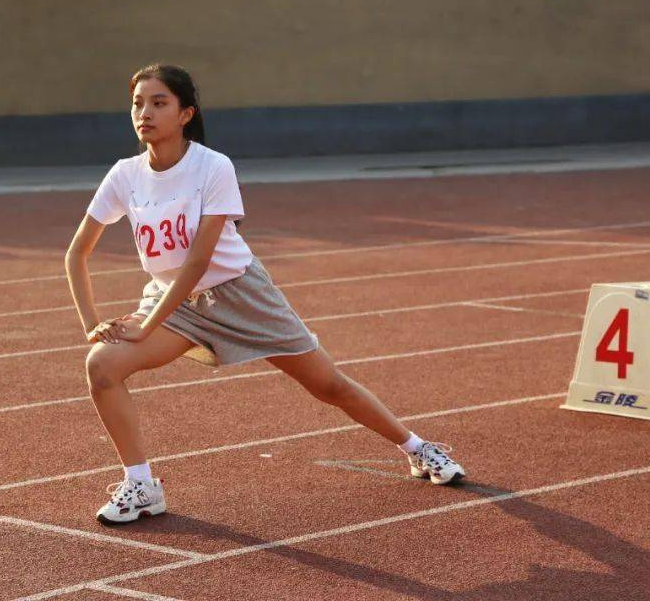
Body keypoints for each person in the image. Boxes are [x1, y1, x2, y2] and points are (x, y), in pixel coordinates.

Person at [64, 63, 466, 525]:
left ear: (185, 113)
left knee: (328, 385)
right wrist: (92, 325)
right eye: (137, 103)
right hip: (175, 301)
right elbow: (77, 254)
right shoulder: (124, 175)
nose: (145, 113)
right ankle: (141, 485)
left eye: (159, 103)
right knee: (102, 364)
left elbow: (198, 261)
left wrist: (145, 327)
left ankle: (417, 448)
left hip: (240, 294)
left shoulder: (213, 166)